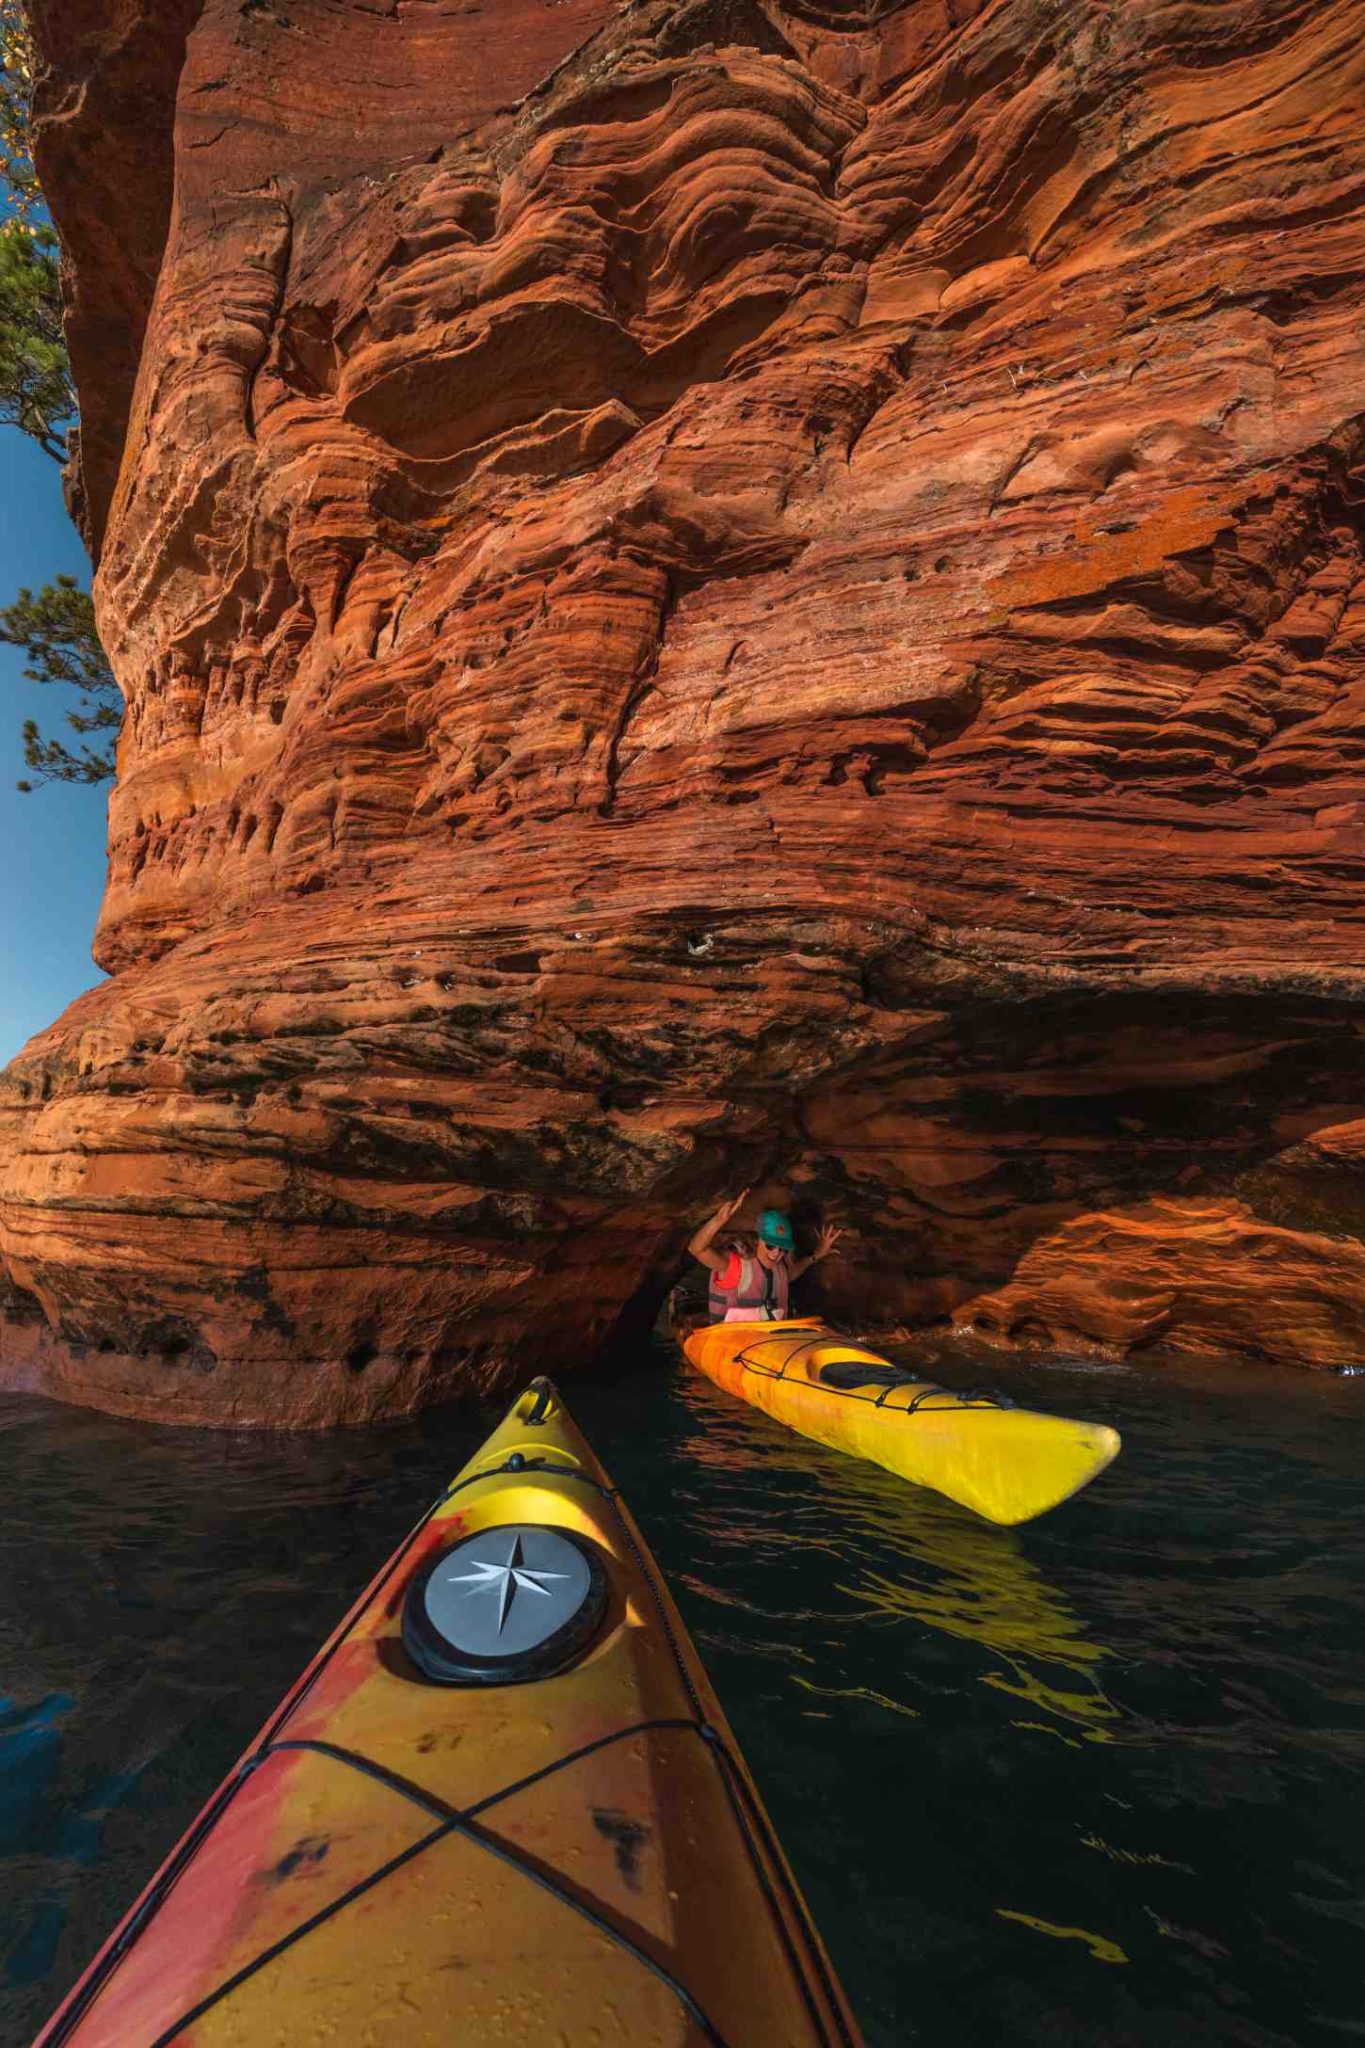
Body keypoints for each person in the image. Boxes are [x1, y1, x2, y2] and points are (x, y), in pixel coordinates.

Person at [687, 1188, 842, 1324]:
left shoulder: (778, 1269)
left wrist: (816, 1255)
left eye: (782, 1248)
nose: (776, 1253)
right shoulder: (734, 1264)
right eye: (770, 1245)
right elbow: (696, 1249)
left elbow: (791, 1274)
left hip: (768, 1339)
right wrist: (718, 1220)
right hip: (728, 1339)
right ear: (756, 1240)